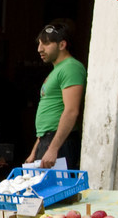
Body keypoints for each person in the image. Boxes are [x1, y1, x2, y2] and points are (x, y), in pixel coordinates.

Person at [30, 21, 85, 169]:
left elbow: (71, 111)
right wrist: (35, 150)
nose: (39, 49)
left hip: (60, 143)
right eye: (39, 44)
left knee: (56, 191)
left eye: (46, 44)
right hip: (47, 141)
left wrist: (53, 148)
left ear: (62, 45)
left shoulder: (71, 67)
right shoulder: (57, 70)